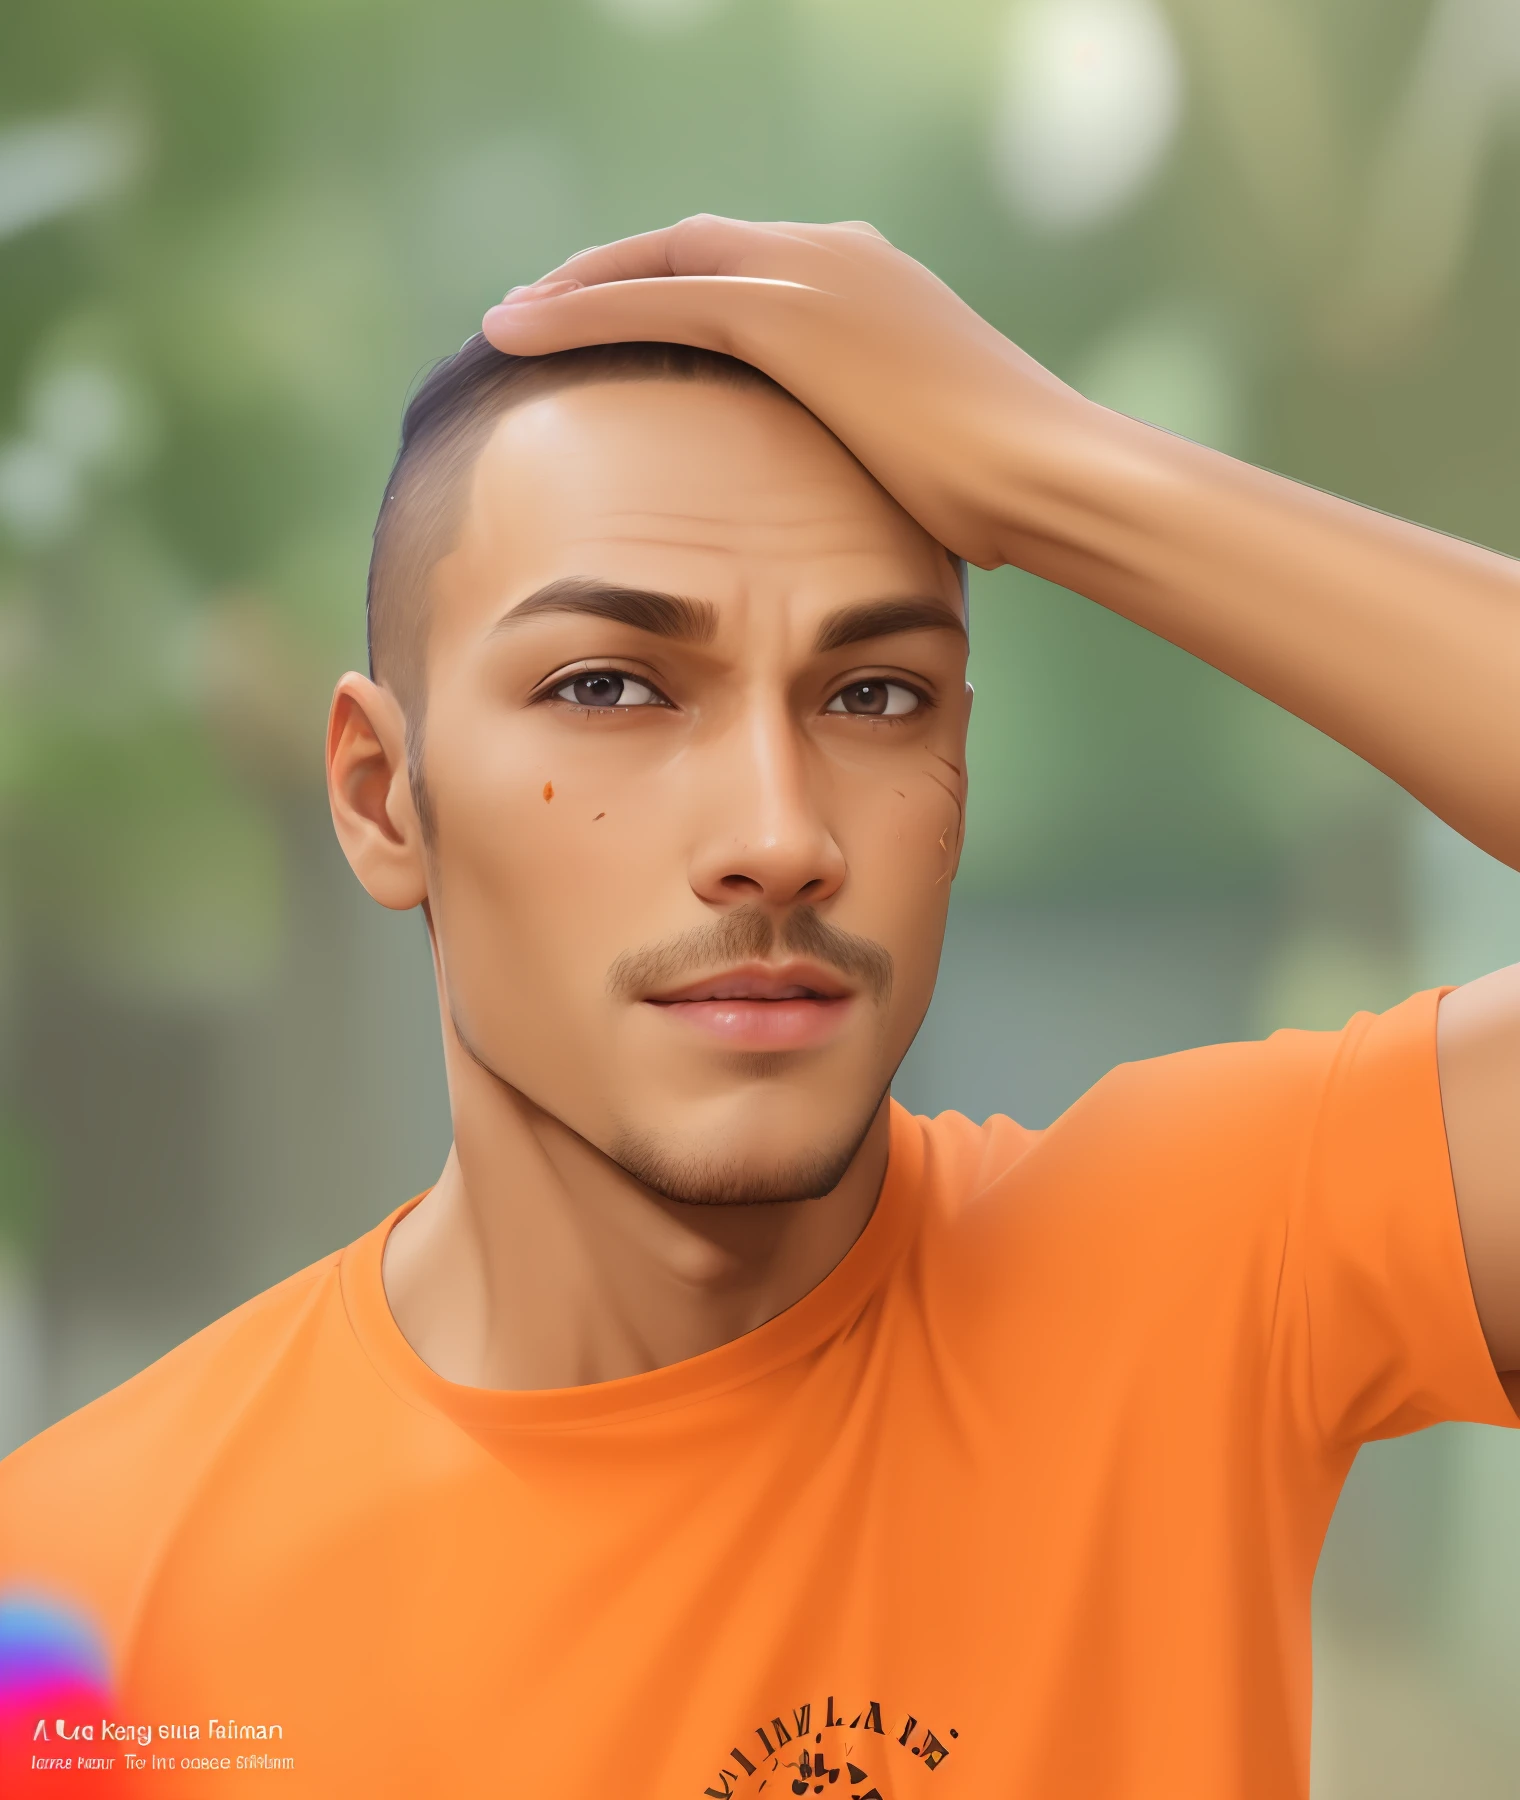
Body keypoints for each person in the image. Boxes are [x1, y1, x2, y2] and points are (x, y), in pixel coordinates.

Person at [2, 216, 1518, 1799]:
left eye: (877, 696)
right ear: (386, 799)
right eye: (610, 685)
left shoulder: (1206, 1270)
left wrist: (1050, 470)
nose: (783, 834)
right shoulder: (81, 1607)